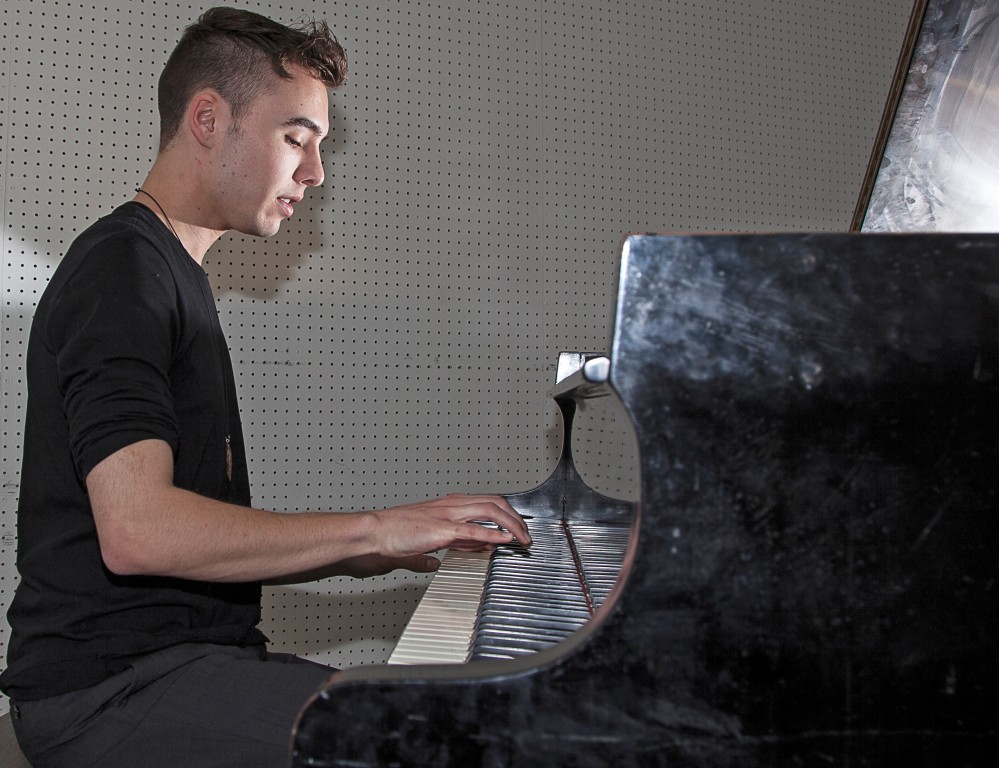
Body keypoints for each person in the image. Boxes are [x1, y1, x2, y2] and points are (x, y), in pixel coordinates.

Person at [0, 7, 531, 767]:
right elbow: (138, 531)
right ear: (209, 120)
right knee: (427, 740)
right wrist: (374, 530)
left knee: (453, 718)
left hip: (185, 665)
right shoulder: (122, 272)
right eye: (297, 140)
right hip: (108, 692)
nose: (314, 174)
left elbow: (182, 539)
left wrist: (372, 551)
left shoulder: (168, 274)